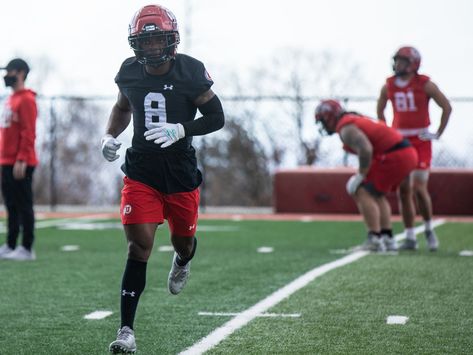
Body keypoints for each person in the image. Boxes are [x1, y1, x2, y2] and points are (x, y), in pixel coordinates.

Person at [102, 4, 224, 354]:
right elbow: (123, 107)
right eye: (147, 41)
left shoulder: (190, 71)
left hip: (180, 172)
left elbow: (217, 117)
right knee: (138, 247)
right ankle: (126, 330)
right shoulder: (129, 71)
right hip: (141, 170)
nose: (153, 47)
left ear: (170, 40)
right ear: (136, 43)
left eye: (158, 40)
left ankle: (183, 261)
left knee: (183, 243)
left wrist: (182, 128)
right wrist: (109, 136)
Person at [315, 99, 418, 252]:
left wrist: (361, 175)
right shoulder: (353, 120)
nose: (322, 125)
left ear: (329, 116)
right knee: (376, 193)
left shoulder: (346, 127)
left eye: (323, 120)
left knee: (362, 190)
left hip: (394, 155)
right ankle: (387, 237)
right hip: (405, 152)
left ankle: (375, 238)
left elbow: (366, 149)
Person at [377, 46, 452, 251]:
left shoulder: (424, 84)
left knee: (419, 187)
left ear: (413, 64)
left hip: (420, 140)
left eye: (402, 61)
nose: (397, 64)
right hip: (400, 141)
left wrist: (438, 132)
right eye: (397, 60)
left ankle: (428, 228)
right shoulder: (389, 85)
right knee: (403, 190)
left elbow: (446, 106)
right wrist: (387, 132)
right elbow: (380, 109)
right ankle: (410, 236)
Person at [0, 58, 38, 261]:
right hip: (6, 161)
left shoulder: (27, 100)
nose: (7, 75)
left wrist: (21, 159)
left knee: (24, 204)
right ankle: (11, 243)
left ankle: (26, 247)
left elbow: (29, 132)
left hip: (21, 163)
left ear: (21, 73)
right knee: (10, 205)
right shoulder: (9, 99)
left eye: (11, 71)